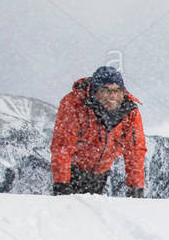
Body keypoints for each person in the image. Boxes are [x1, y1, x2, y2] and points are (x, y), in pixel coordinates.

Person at [50, 66, 146, 197]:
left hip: (102, 171)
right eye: (106, 90)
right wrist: (61, 184)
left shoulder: (130, 111)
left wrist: (136, 188)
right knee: (68, 210)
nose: (112, 96)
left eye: (117, 91)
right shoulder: (75, 104)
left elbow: (135, 150)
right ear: (95, 91)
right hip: (73, 168)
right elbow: (62, 146)